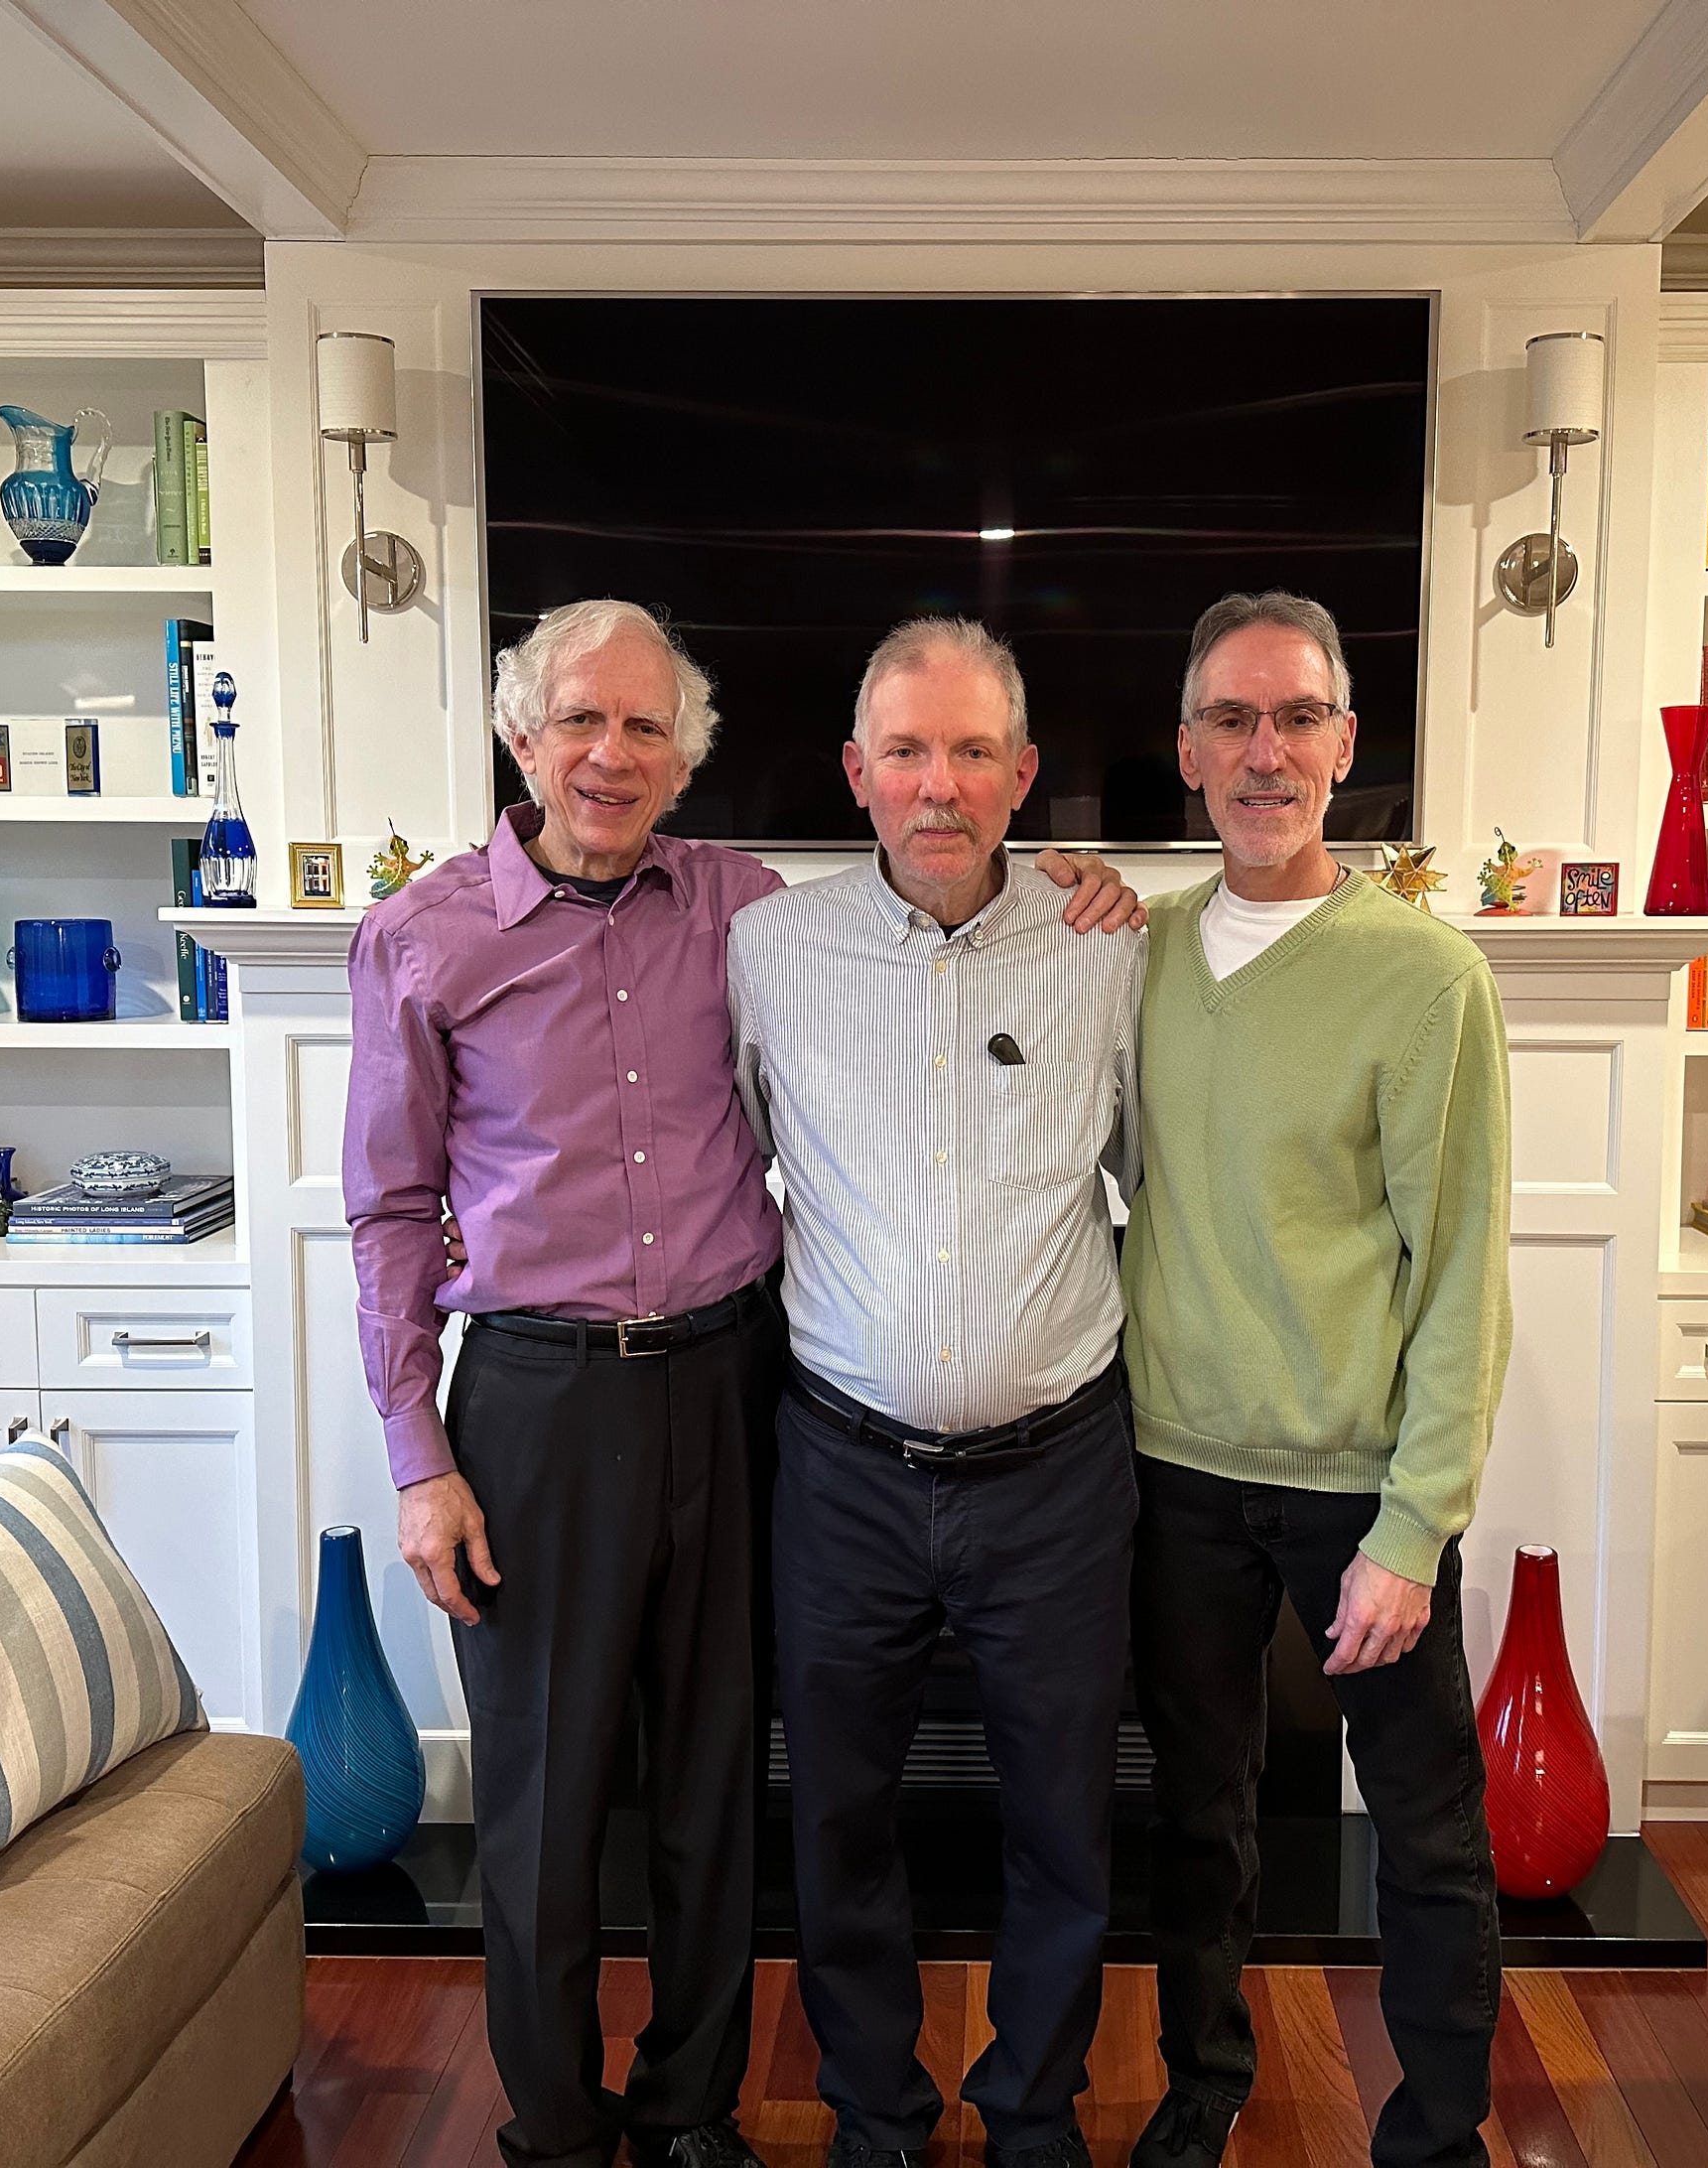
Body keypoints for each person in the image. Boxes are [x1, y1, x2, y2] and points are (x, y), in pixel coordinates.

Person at [342, 599, 1134, 2168]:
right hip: (538, 1402)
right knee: (547, 1794)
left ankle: (694, 2106)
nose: (610, 754)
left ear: (686, 754)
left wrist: (1070, 877)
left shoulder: (742, 909)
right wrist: (417, 1454)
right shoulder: (428, 935)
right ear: (520, 735)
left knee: (718, 1782)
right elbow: (386, 1208)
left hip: (728, 1383)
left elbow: (934, 903)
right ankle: (558, 2127)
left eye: (645, 726)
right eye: (581, 719)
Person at [725, 618, 1144, 2168]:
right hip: (841, 1470)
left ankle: (1033, 2115)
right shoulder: (770, 957)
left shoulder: (1112, 951)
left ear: (1024, 774)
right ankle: (876, 2119)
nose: (939, 784)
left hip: (1058, 1475)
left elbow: (1154, 1180)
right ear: (856, 772)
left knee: (1065, 1825)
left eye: (973, 751)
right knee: (837, 1820)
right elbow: (725, 1167)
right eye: (906, 750)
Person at [1119, 591, 1512, 2168]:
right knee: (1196, 1819)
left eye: (1295, 719)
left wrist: (1416, 1528)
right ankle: (1202, 2090)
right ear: (1187, 752)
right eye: (1231, 719)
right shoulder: (1133, 955)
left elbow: (1463, 1269)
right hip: (1170, 1471)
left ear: (1346, 746)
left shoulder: (1426, 978)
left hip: (1360, 1487)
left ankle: (1440, 2135)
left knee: (1425, 1831)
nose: (1263, 752)